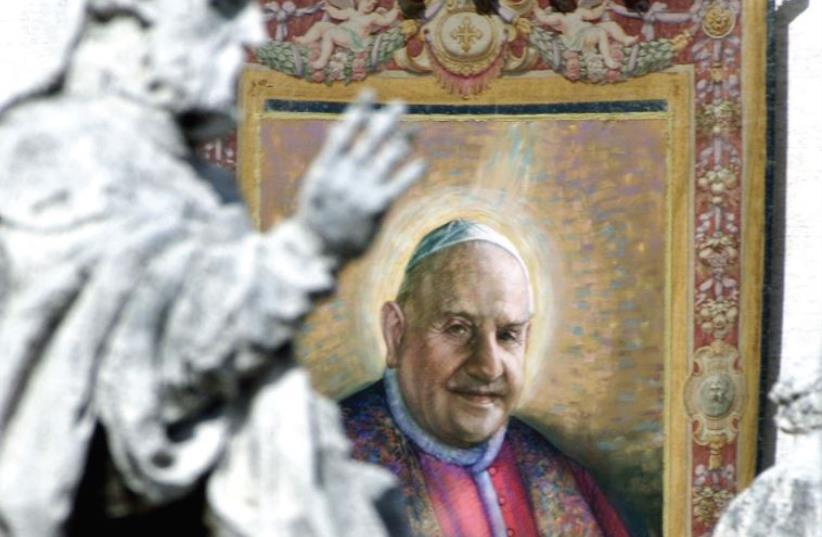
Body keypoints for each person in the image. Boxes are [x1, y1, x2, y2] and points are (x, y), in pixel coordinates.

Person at [0, 0, 423, 535]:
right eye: (222, 8)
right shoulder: (61, 153)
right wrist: (308, 248)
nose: (251, 30)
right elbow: (147, 375)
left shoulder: (196, 182)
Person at [341, 219, 630, 537]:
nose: (488, 367)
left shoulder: (562, 477)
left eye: (508, 335)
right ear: (397, 333)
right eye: (458, 328)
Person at [534, 0, 638, 69]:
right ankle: (608, 59)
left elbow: (594, 14)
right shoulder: (559, 17)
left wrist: (602, 6)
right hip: (578, 39)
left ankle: (625, 39)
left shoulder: (579, 11)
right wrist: (536, 9)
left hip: (589, 31)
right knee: (600, 32)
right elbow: (544, 18)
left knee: (611, 24)